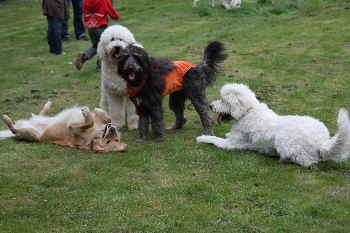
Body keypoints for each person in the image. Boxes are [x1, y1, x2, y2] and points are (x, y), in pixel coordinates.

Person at [74, 0, 122, 71]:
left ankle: (83, 57)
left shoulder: (86, 1)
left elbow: (84, 12)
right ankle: (100, 66)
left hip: (91, 27)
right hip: (101, 26)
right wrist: (117, 17)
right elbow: (110, 10)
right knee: (105, 46)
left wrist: (88, 23)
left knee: (96, 46)